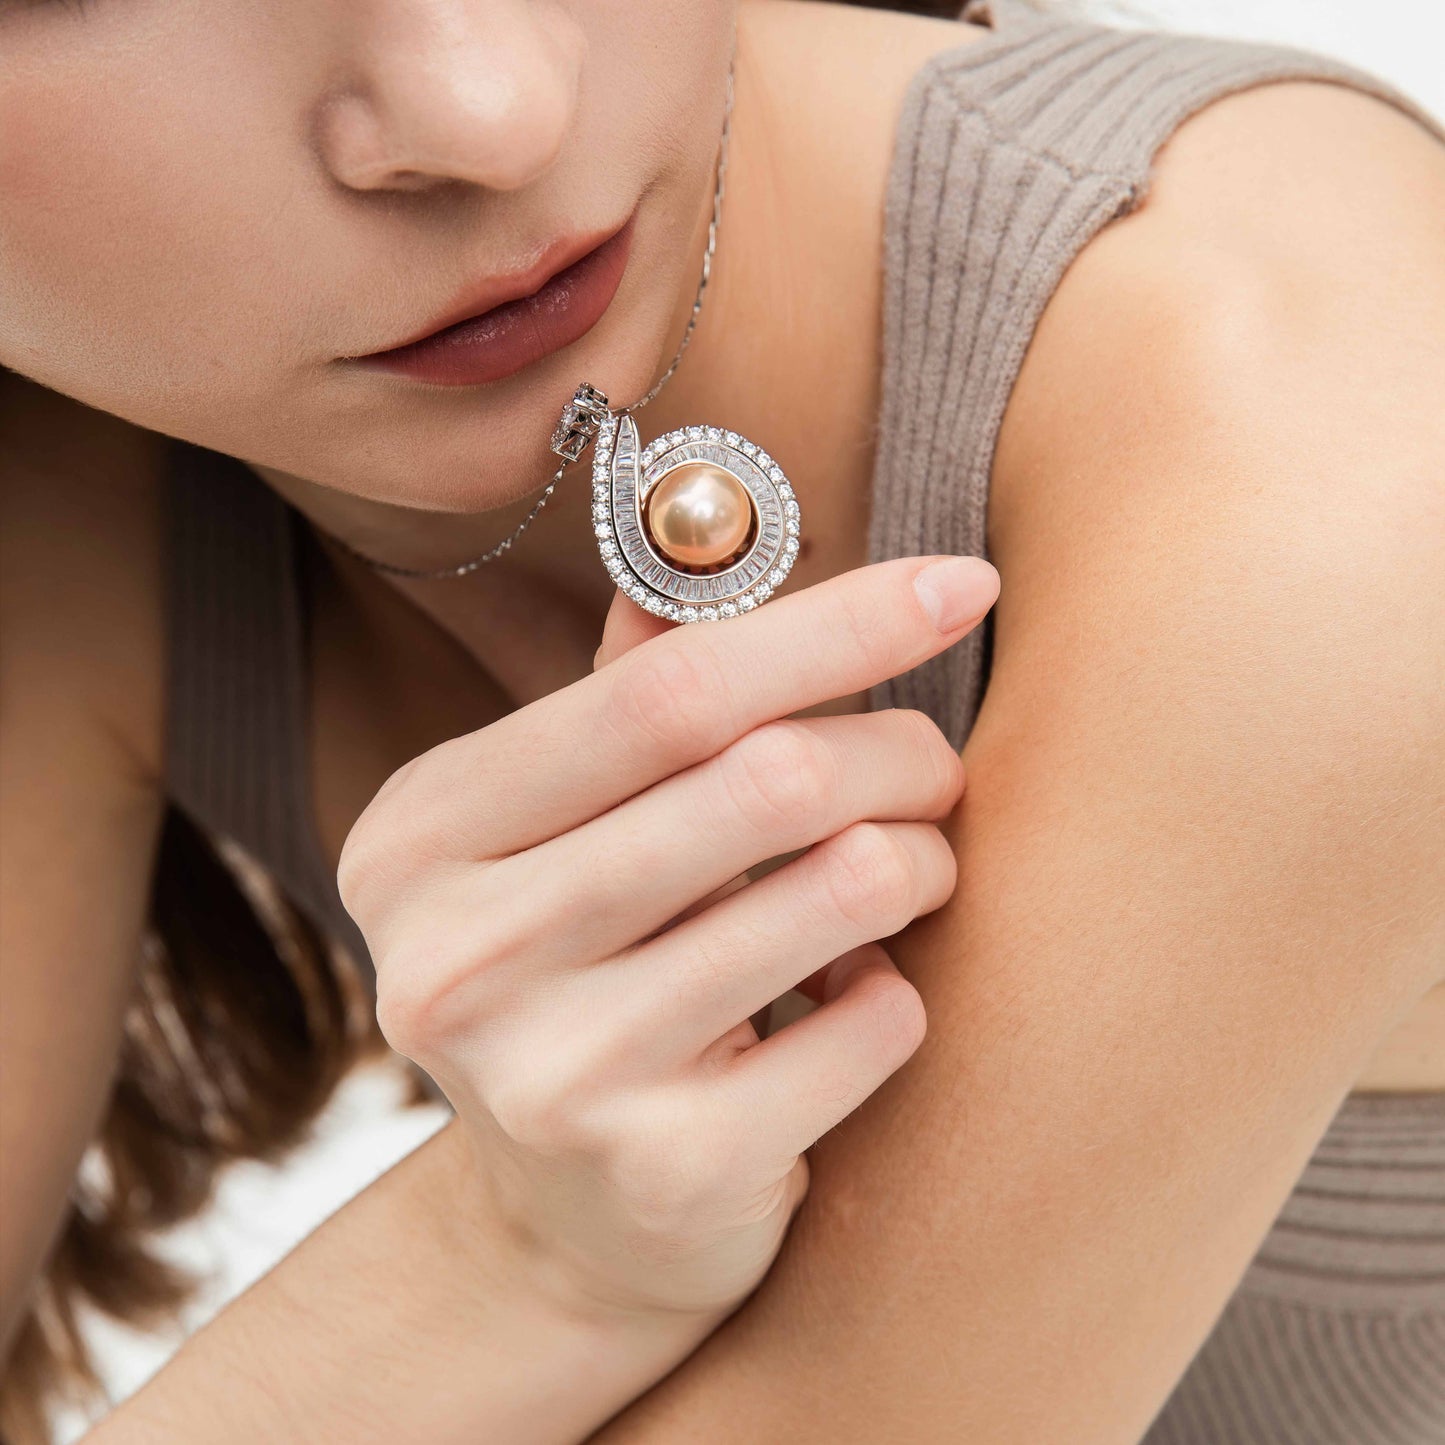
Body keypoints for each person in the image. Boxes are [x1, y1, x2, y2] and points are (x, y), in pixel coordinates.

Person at [2, 0, 1442, 1440]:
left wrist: (508, 1264)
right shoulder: (75, 492)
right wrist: (514, 1257)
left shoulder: (1319, 421)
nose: (487, 106)